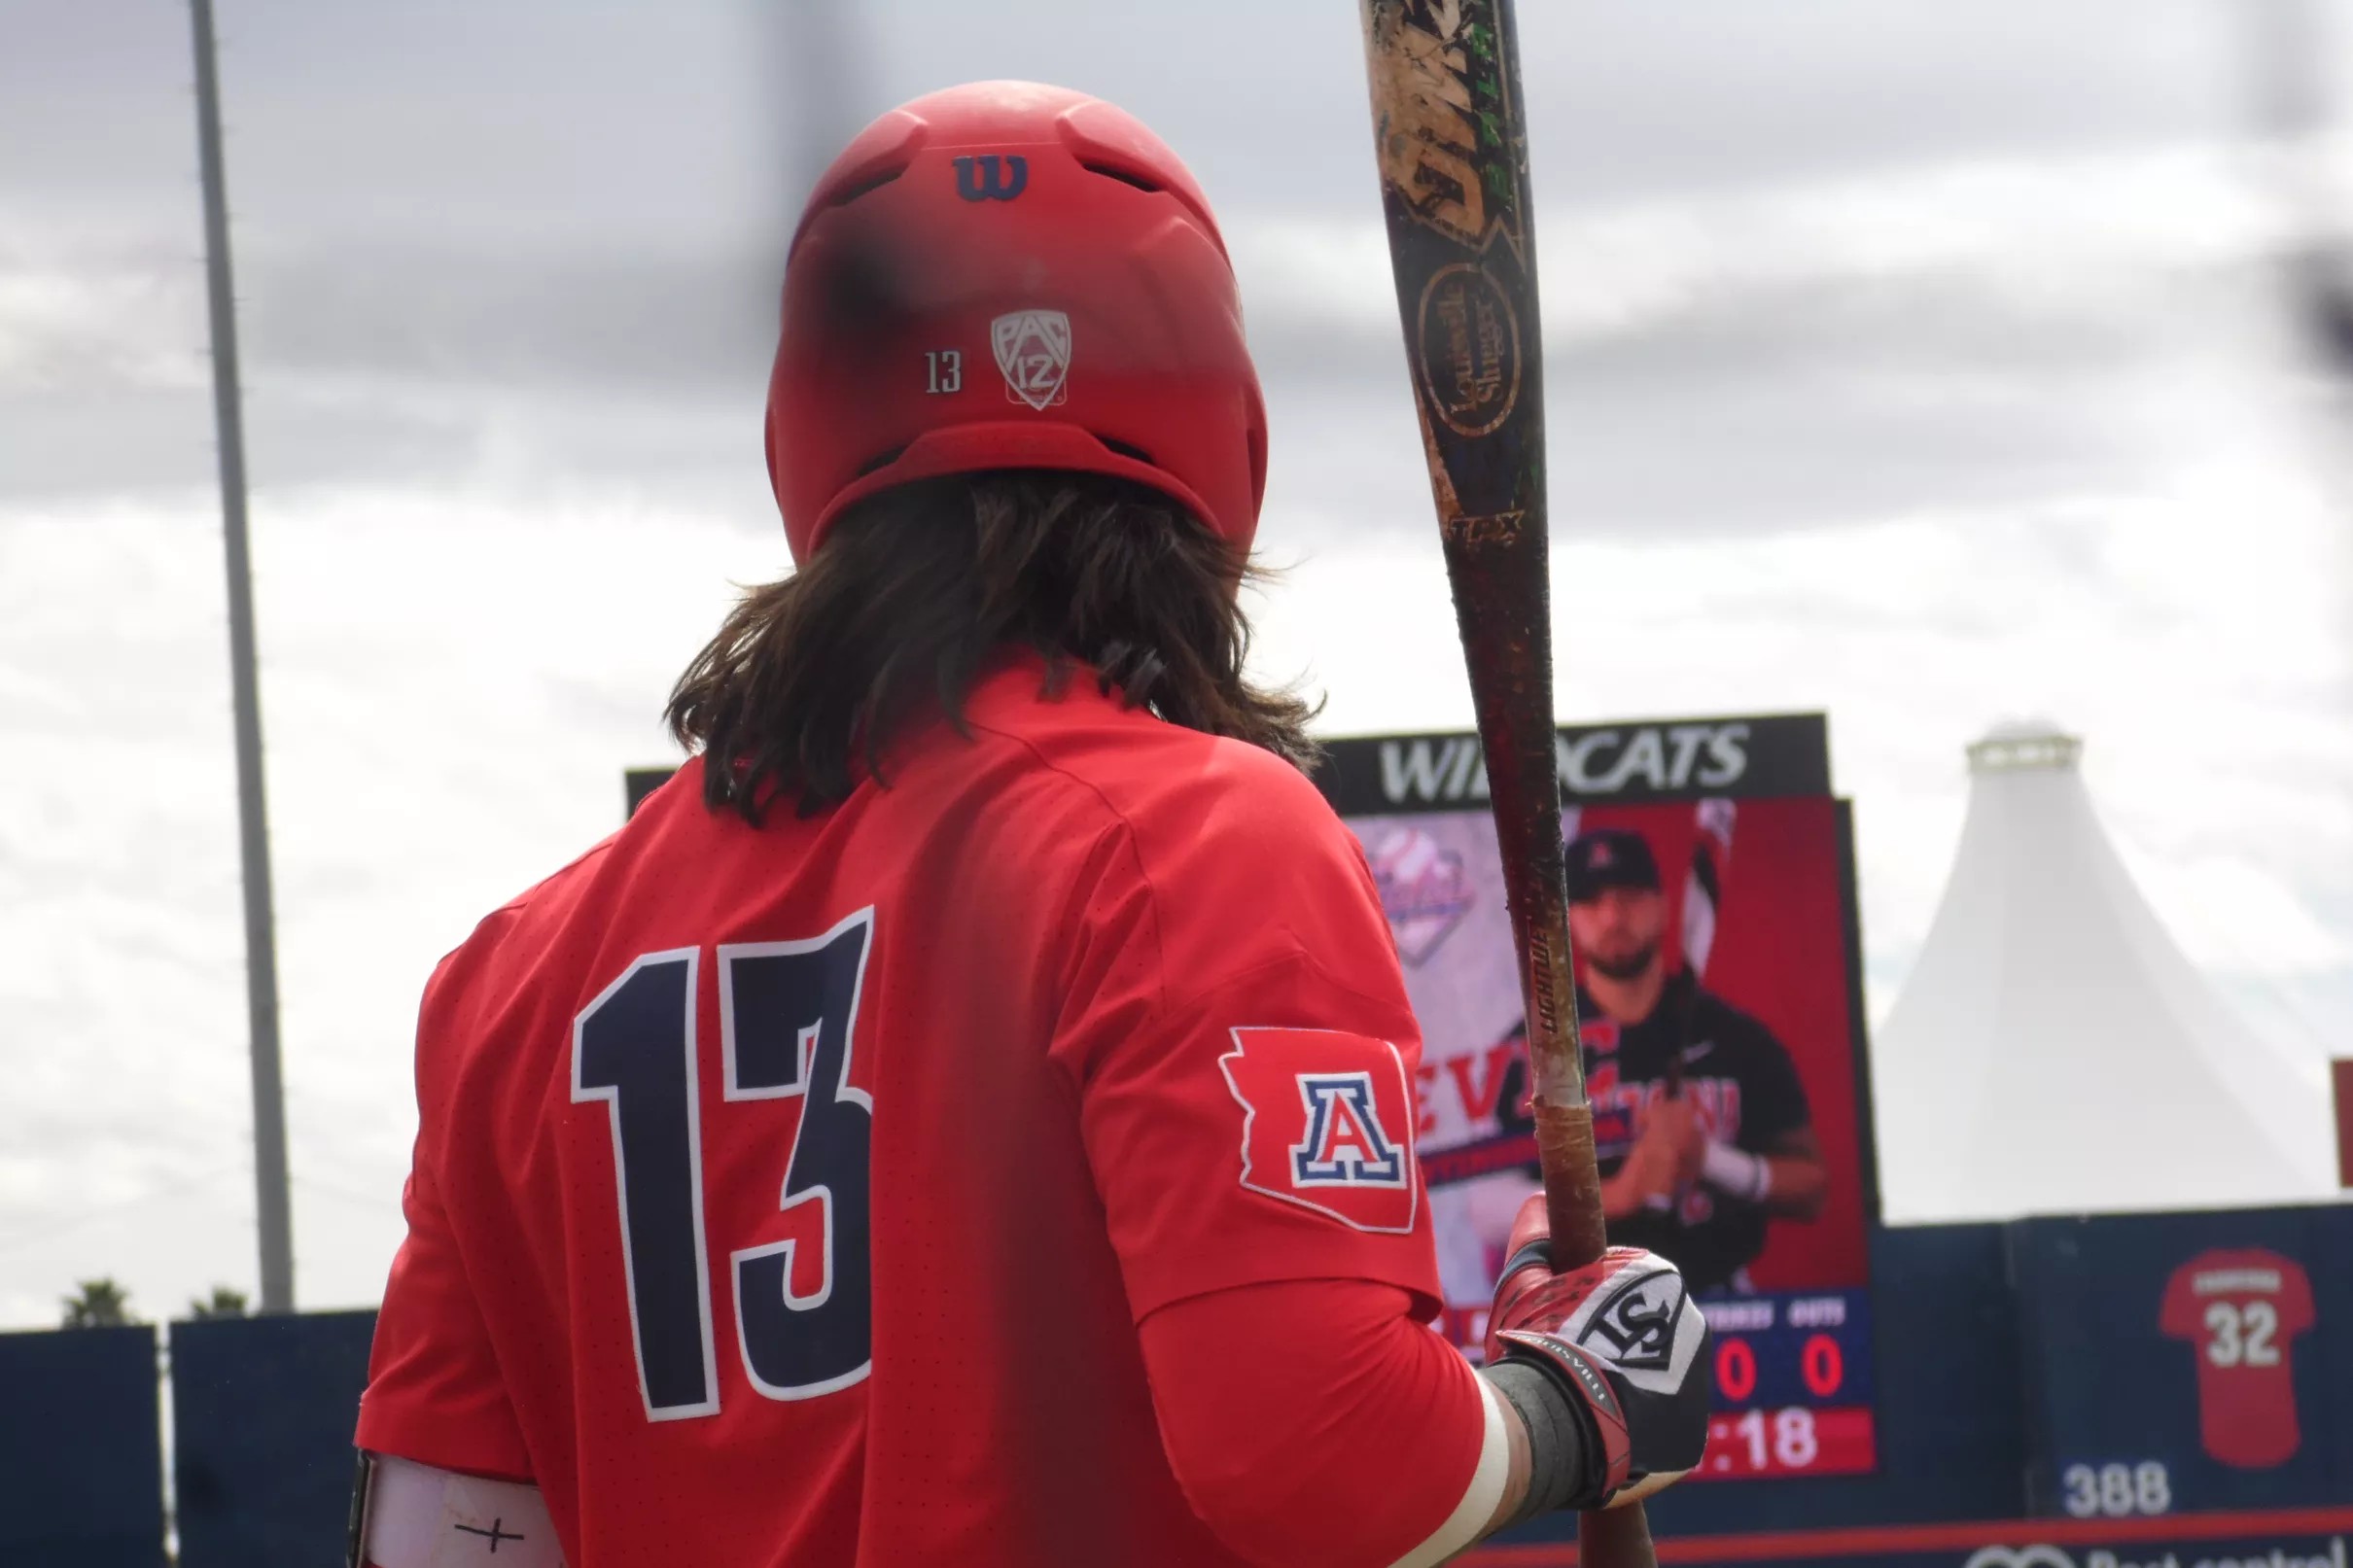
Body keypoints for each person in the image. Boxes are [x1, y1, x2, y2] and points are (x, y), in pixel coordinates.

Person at [345, 82, 1709, 1568]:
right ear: (1216, 425)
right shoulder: (1192, 838)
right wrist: (1580, 1401)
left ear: (811, 426)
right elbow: (1320, 1460)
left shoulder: (515, 975)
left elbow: (440, 1545)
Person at [1546, 827, 1830, 1295]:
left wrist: (1710, 1159)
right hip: (1587, 1309)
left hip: (1724, 1305)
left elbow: (1811, 1189)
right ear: (1569, 919)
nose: (1613, 915)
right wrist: (1620, 1194)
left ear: (1662, 905)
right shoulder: (1538, 1047)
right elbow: (1486, 1207)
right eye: (1592, 902)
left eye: (1630, 895)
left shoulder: (1737, 1039)